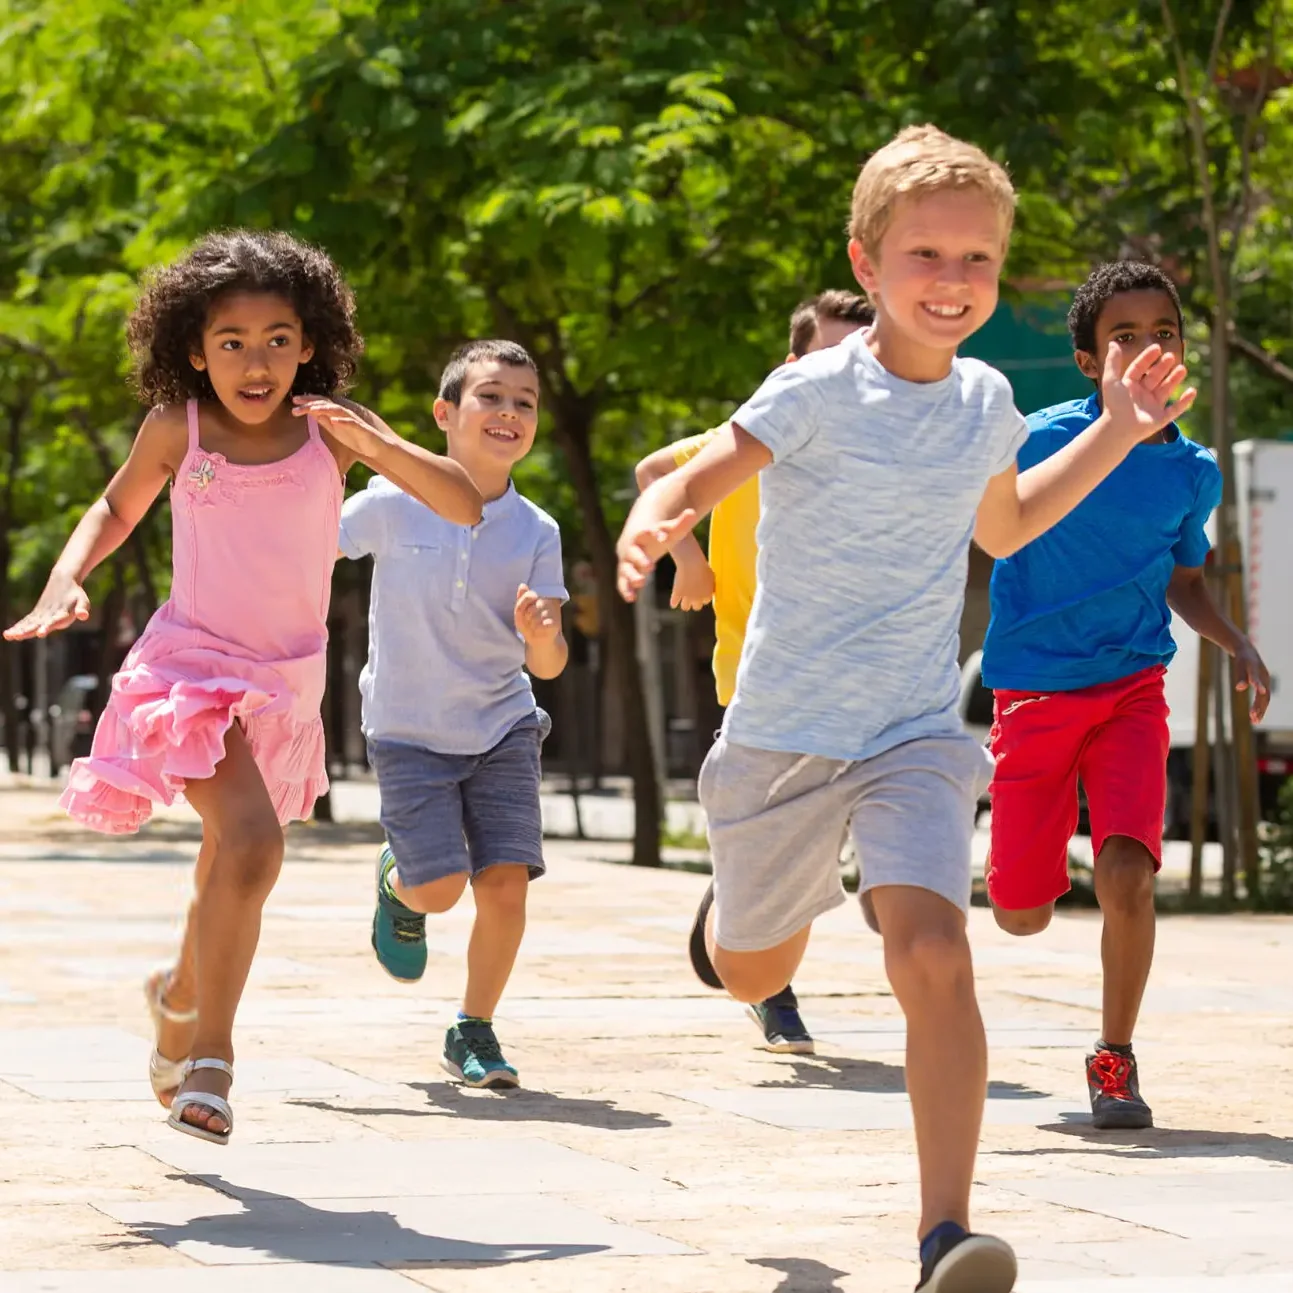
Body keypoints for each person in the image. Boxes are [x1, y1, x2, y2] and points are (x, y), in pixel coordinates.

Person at [615, 125, 1196, 1293]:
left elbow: (1005, 525)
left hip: (914, 735)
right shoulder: (818, 387)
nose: (953, 279)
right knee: (746, 968)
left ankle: (946, 1234)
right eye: (926, 254)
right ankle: (744, 912)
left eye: (978, 260)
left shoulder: (986, 397)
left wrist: (1120, 431)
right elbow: (704, 468)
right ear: (867, 261)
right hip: (782, 734)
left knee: (933, 951)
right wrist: (657, 516)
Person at [3, 231, 482, 1144]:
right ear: (193, 348)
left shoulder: (327, 431)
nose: (254, 361)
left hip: (283, 690)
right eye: (231, 341)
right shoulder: (177, 428)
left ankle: (180, 996)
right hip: (189, 672)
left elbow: (461, 502)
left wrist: (376, 445)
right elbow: (113, 505)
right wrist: (68, 573)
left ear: (310, 344)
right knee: (255, 847)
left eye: (276, 338)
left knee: (226, 863)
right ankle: (211, 1062)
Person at [980, 260, 1270, 1131]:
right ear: (1085, 360)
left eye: (1165, 333)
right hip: (1032, 688)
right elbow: (985, 533)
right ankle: (1036, 853)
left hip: (1131, 687)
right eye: (1123, 336)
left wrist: (1235, 639)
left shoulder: (1192, 471)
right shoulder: (1032, 441)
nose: (1148, 349)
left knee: (1129, 876)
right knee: (1020, 915)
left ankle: (1114, 1056)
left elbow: (1186, 581)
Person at [635, 290, 874, 1056]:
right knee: (790, 833)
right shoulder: (743, 441)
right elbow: (651, 471)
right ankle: (772, 992)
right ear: (790, 365)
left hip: (846, 686)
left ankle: (742, 899)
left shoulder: (873, 463)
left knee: (809, 836)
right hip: (754, 679)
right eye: (827, 357)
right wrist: (689, 557)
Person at [339, 339, 567, 1091]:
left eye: (523, 403)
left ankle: (473, 1025)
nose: (508, 413)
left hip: (502, 723)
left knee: (504, 884)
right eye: (490, 397)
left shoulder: (537, 531)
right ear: (444, 414)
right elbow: (304, 542)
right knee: (437, 889)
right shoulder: (386, 506)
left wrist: (542, 634)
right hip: (406, 729)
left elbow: (550, 665)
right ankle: (398, 882)